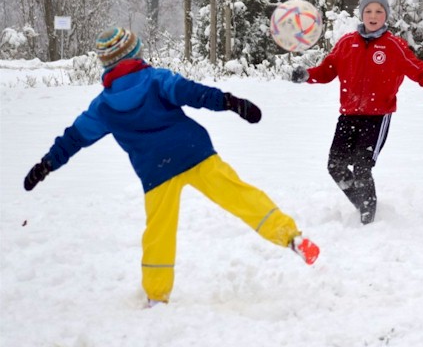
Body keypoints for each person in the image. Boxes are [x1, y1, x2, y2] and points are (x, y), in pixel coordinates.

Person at [23, 27, 320, 306]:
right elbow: (194, 93)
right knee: (239, 195)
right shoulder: (156, 79)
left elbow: (74, 137)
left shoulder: (103, 106)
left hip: (156, 172)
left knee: (159, 232)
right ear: (134, 55)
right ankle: (290, 237)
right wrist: (232, 102)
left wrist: (47, 164)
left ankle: (156, 296)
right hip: (193, 153)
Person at [290, 0, 423, 224]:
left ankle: (368, 219)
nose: (373, 15)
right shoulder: (347, 43)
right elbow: (327, 71)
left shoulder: (394, 46)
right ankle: (361, 204)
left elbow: (421, 72)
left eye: (379, 11)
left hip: (377, 118)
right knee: (335, 166)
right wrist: (307, 75)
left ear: (385, 16)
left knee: (361, 167)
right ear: (361, 14)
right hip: (349, 116)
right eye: (368, 11)